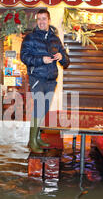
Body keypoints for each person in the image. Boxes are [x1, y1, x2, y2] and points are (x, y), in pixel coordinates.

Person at [20, 9, 70, 153]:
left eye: (44, 19)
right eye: (39, 19)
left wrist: (63, 57)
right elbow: (24, 57)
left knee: (45, 109)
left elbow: (66, 63)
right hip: (37, 78)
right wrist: (41, 60)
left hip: (51, 79)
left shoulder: (55, 39)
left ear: (49, 20)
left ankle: (37, 137)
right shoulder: (30, 38)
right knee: (39, 107)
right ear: (37, 21)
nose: (42, 22)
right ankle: (32, 141)